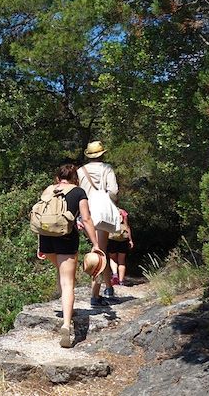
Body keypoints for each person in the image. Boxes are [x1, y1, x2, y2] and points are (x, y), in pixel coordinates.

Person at [38, 163, 102, 348]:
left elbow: (42, 214)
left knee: (60, 272)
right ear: (75, 178)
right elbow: (87, 219)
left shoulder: (49, 189)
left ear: (58, 177)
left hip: (46, 237)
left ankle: (67, 307)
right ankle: (66, 324)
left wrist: (39, 245)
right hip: (66, 236)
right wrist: (96, 244)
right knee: (68, 282)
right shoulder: (78, 192)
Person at [78, 141, 118, 305]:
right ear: (102, 154)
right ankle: (95, 295)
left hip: (86, 213)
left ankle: (108, 287)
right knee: (100, 253)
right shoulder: (107, 168)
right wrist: (109, 201)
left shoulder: (81, 171)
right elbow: (114, 191)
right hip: (102, 213)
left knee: (101, 250)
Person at [107, 208, 134, 285]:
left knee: (112, 258)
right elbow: (127, 227)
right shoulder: (123, 212)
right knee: (121, 261)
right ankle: (121, 281)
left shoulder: (109, 211)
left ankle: (115, 274)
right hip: (123, 239)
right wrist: (130, 240)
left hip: (112, 238)